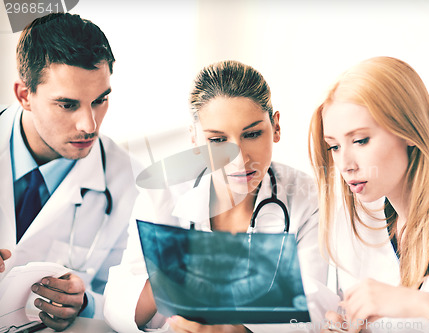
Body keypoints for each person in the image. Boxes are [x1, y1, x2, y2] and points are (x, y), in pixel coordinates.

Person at [104, 60, 329, 332]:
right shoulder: (162, 194)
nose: (239, 160)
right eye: (218, 140)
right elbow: (117, 304)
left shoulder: (307, 199)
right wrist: (166, 280)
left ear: (276, 127)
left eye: (253, 134)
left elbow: (316, 309)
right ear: (195, 139)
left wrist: (236, 331)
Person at [308, 56, 429, 332]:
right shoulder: (357, 227)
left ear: (408, 131)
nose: (346, 165)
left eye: (361, 140)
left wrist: (422, 305)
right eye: (334, 147)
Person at [0, 13, 138, 330]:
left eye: (100, 100)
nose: (89, 125)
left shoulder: (128, 182)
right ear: (25, 95)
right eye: (67, 104)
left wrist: (84, 302)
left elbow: (126, 300)